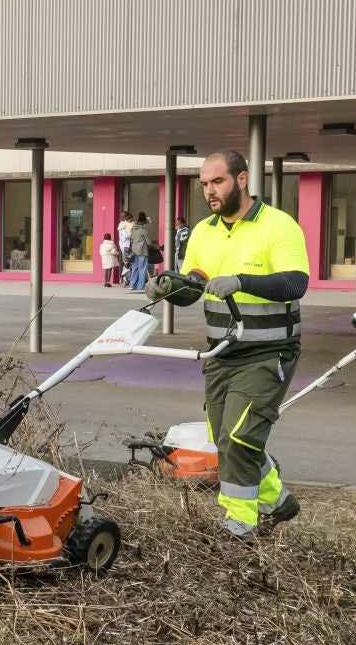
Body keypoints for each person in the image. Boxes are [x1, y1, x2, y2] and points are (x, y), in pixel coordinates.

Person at [148, 150, 310, 539]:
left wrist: (242, 281)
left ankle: (239, 524)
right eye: (203, 184)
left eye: (217, 181)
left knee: (239, 437)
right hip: (221, 353)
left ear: (241, 179)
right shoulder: (204, 231)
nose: (209, 191)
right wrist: (168, 287)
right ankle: (277, 500)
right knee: (226, 439)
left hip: (268, 352)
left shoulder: (278, 225)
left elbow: (295, 282)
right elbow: (193, 288)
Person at [127, 212, 152, 292]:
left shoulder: (133, 228)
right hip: (143, 251)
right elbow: (149, 242)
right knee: (142, 269)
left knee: (135, 268)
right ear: (144, 221)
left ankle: (132, 285)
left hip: (134, 251)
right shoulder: (144, 230)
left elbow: (140, 223)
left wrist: (146, 221)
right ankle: (141, 286)